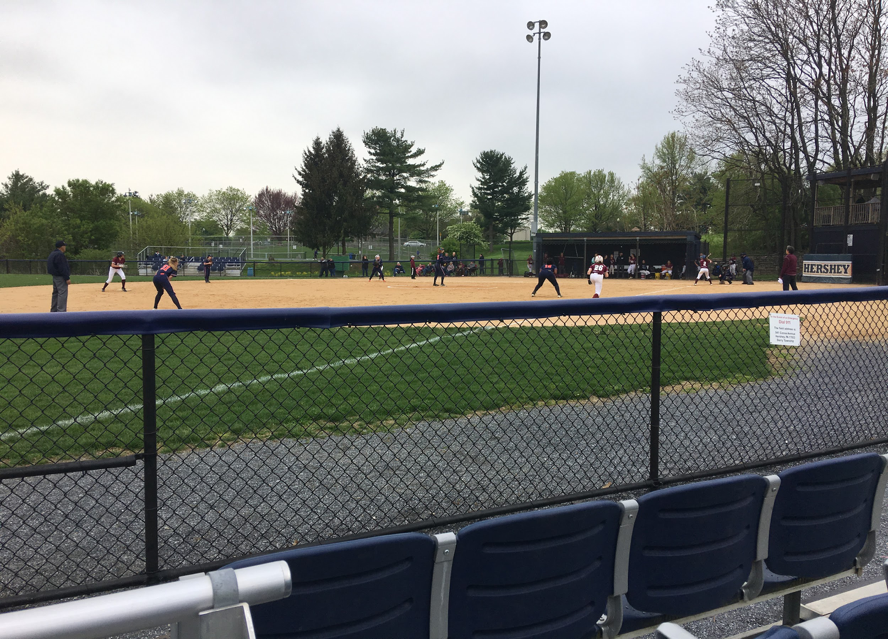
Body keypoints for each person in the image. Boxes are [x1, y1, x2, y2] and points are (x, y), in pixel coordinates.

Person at [47, 240, 71, 312]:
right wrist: (67, 278)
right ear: (61, 247)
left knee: (55, 293)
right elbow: (62, 267)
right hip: (60, 277)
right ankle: (61, 311)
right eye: (64, 246)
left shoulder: (53, 253)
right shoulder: (60, 254)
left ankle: (53, 310)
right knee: (62, 293)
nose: (65, 247)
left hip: (55, 276)